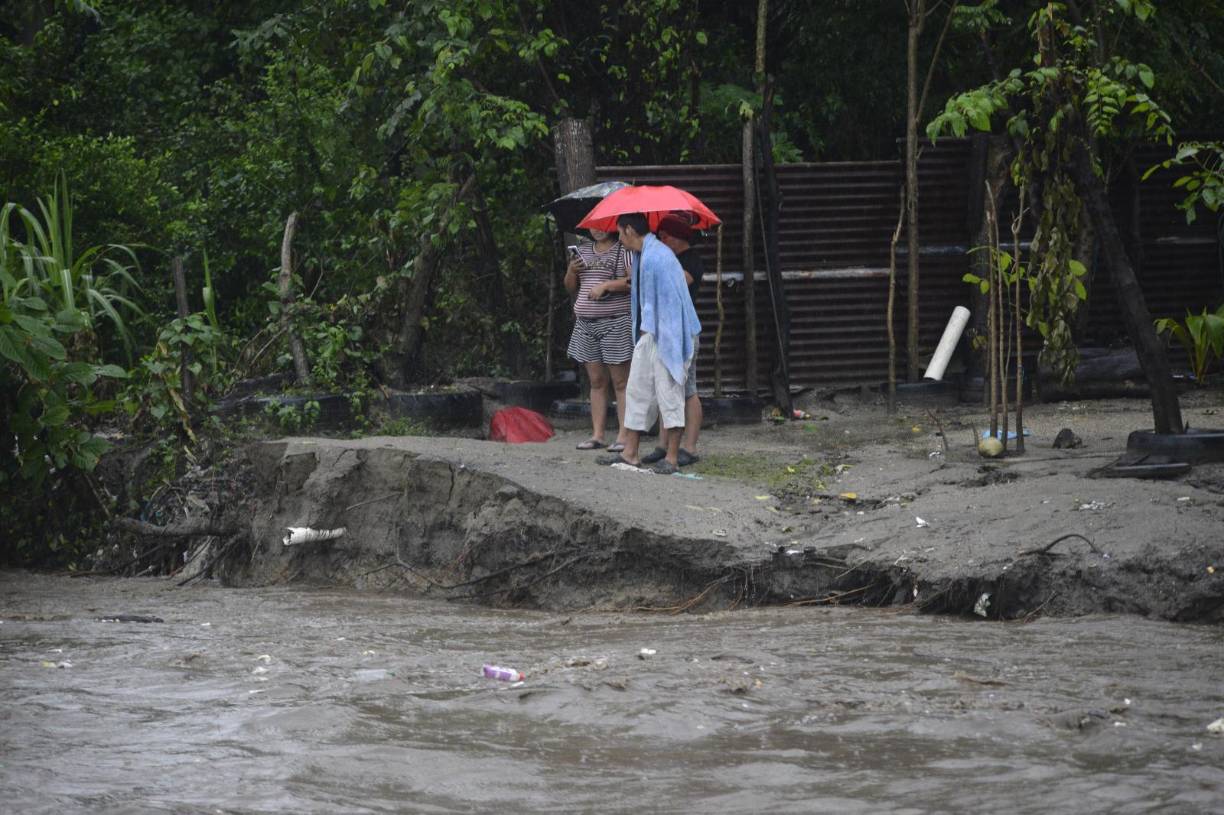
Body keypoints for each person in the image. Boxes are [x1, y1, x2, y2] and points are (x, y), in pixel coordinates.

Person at [597, 212, 701, 474]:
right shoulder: (646, 255)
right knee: (637, 392)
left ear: (630, 230)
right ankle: (630, 452)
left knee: (670, 394)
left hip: (671, 333)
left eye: (620, 233)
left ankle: (673, 458)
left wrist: (670, 346)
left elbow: (673, 303)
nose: (619, 239)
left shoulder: (659, 257)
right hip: (650, 332)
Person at [640, 214, 703, 467]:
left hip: (683, 331)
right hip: (666, 331)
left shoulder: (692, 261)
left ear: (676, 238)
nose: (661, 241)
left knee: (688, 391)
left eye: (664, 237)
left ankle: (689, 446)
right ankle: (662, 444)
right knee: (664, 389)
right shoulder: (669, 258)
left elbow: (681, 283)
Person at [564, 227, 634, 451]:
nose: (598, 230)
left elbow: (633, 282)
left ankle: (624, 436)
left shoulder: (624, 250)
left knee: (621, 382)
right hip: (585, 322)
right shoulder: (582, 251)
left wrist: (607, 285)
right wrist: (571, 271)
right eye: (594, 226)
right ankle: (597, 434)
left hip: (616, 320)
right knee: (596, 381)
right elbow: (571, 287)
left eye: (603, 225)